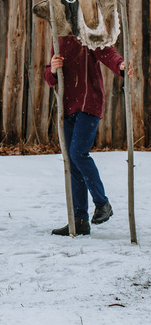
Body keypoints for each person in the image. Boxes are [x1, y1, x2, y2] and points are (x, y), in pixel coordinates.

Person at [45, 35, 133, 236]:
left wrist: (120, 65)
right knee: (72, 162)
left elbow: (108, 53)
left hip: (89, 102)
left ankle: (102, 204)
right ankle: (80, 220)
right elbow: (50, 78)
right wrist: (52, 68)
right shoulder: (58, 38)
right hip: (67, 107)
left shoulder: (88, 34)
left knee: (78, 153)